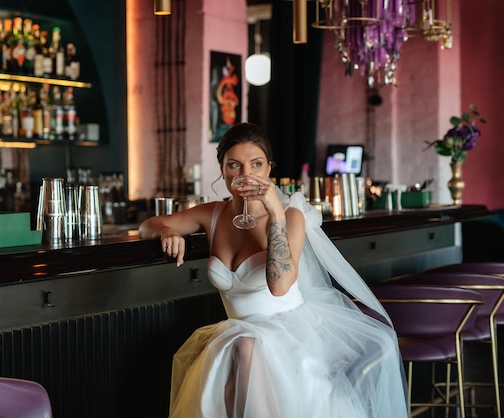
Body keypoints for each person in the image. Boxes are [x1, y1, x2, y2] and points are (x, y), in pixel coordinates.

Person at [138, 122, 407, 418]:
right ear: (222, 170)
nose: (244, 175)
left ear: (269, 169)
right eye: (233, 165)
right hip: (240, 332)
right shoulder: (212, 213)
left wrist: (275, 212)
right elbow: (146, 225)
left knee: (244, 347)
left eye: (255, 164)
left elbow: (279, 286)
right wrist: (167, 231)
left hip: (286, 333)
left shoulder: (291, 215)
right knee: (240, 349)